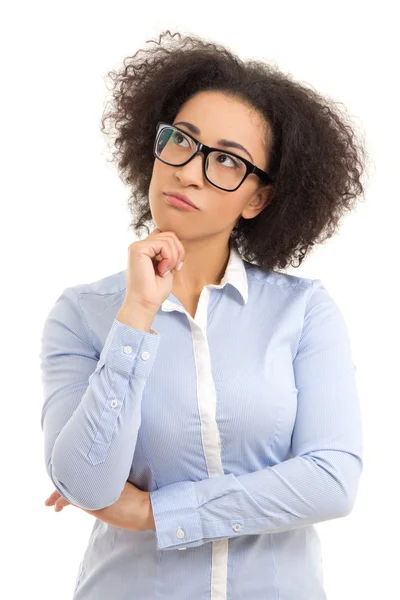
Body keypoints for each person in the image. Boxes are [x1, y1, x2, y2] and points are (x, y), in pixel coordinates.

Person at [39, 30, 368, 600]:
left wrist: (157, 514)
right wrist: (138, 311)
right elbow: (86, 484)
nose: (189, 172)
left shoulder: (303, 311)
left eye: (225, 161)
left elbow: (332, 480)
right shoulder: (84, 314)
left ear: (257, 199)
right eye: (181, 143)